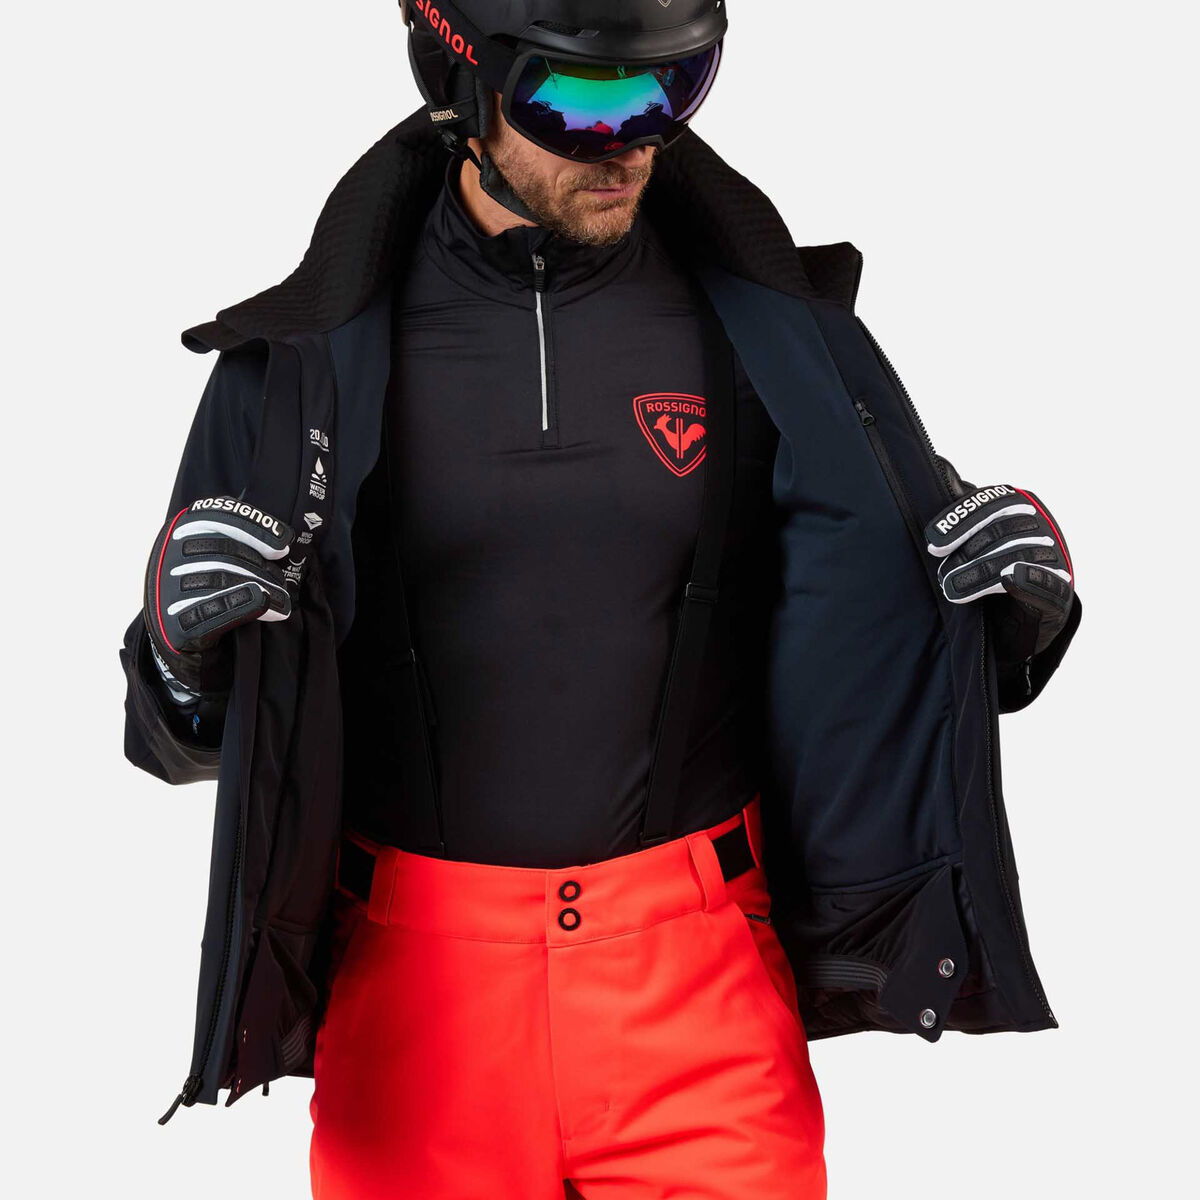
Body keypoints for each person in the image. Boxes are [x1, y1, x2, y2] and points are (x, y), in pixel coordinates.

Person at [121, 3, 1082, 1197]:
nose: (632, 139)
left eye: (673, 88)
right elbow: (182, 740)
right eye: (579, 99)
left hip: (703, 998)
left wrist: (1011, 623)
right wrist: (182, 659)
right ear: (460, 79)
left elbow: (879, 631)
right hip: (418, 1010)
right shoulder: (295, 374)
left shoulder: (782, 342)